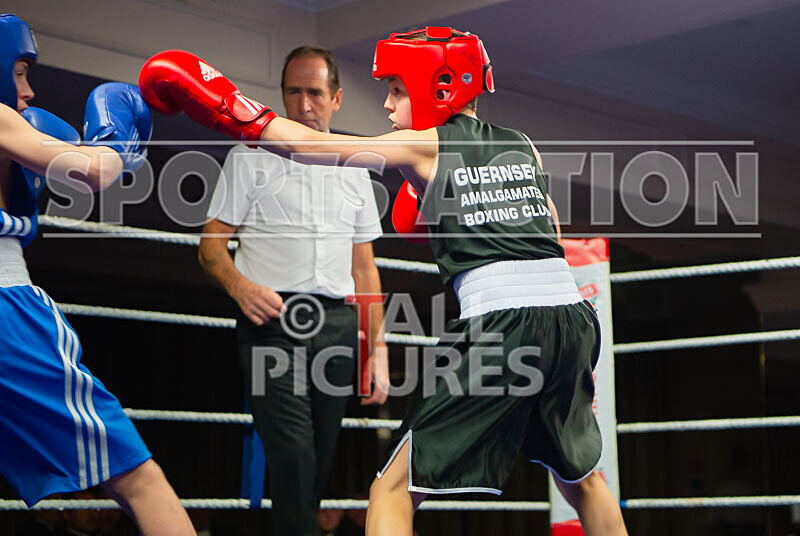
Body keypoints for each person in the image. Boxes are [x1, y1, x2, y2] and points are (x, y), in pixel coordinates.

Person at [139, 26, 629, 536]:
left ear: (436, 89)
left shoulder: (424, 143)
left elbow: (310, 147)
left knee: (390, 491)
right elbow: (548, 228)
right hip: (572, 321)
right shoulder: (522, 145)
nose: (390, 105)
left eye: (396, 89)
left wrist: (230, 106)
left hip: (503, 324)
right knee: (584, 481)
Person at [0, 14, 195, 536]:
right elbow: (97, 172)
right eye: (19, 72)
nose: (28, 88)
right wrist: (113, 137)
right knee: (139, 479)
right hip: (7, 314)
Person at [196, 46, 389, 536]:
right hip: (271, 323)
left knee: (316, 467)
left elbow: (364, 270)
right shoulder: (250, 157)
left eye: (315, 94)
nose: (304, 105)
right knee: (293, 457)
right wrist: (239, 287)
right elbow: (211, 248)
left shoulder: (354, 166)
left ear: (337, 98)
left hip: (338, 327)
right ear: (282, 95)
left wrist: (377, 350)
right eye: (294, 92)